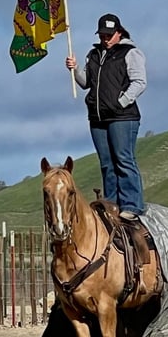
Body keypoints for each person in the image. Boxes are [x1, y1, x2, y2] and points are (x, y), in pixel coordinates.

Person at [65, 13, 147, 220]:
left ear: (119, 32)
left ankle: (132, 205)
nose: (106, 38)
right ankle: (111, 204)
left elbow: (139, 82)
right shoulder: (93, 54)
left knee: (123, 159)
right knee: (106, 162)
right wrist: (74, 70)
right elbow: (86, 83)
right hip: (97, 117)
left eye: (110, 35)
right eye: (103, 35)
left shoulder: (130, 52)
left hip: (123, 117)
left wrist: (121, 102)